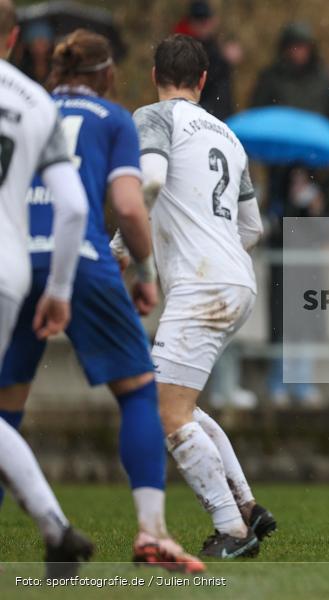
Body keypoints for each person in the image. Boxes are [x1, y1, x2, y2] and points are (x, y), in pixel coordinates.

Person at [0, 29, 204, 573]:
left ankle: (44, 527)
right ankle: (152, 533)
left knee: (4, 412)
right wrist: (142, 271)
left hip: (16, 263)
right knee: (138, 392)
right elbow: (130, 208)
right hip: (84, 261)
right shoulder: (114, 119)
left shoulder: (27, 106)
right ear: (107, 74)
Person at [121, 34, 274, 559]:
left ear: (154, 74)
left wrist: (130, 251)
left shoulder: (153, 116)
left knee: (164, 413)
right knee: (180, 401)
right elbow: (252, 227)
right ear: (204, 80)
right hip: (236, 280)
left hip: (201, 286)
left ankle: (232, 530)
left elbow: (149, 182)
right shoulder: (229, 136)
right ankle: (247, 506)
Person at [0, 0, 92, 577]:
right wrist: (58, 287)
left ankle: (56, 527)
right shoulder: (35, 101)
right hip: (10, 270)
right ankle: (55, 528)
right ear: (11, 37)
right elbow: (76, 206)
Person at [251, 22, 329, 404]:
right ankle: (278, 374)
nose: (300, 53)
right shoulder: (271, 80)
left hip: (313, 204)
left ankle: (302, 375)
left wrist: (317, 186)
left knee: (307, 290)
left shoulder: (323, 81)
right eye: (295, 47)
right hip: (280, 198)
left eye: (305, 47)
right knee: (279, 291)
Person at [173, 0, 236, 120]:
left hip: (221, 114)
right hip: (200, 115)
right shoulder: (185, 50)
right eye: (199, 20)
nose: (203, 25)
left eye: (206, 20)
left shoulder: (216, 46)